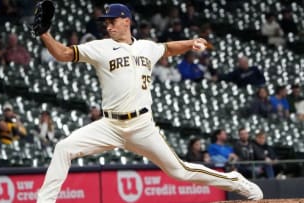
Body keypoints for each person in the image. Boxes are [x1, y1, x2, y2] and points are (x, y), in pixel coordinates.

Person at [34, 3, 263, 202]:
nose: (108, 26)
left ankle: (235, 181)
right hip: (110, 126)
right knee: (63, 148)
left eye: (112, 20)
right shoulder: (100, 47)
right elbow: (63, 54)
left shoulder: (147, 47)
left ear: (126, 20)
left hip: (142, 125)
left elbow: (167, 48)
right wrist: (45, 34)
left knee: (180, 172)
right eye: (105, 23)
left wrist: (191, 42)